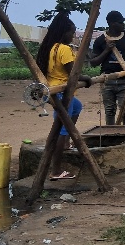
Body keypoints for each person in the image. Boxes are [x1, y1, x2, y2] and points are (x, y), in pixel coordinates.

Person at [35, 11, 92, 180]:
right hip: (61, 93)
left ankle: (66, 141)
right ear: (64, 33)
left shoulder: (51, 47)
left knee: (77, 107)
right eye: (71, 33)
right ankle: (56, 170)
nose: (72, 36)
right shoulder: (64, 49)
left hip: (55, 90)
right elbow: (73, 74)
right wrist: (87, 79)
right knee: (59, 130)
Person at [90, 10, 125, 125]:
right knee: (110, 111)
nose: (124, 25)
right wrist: (107, 50)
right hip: (107, 80)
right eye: (120, 22)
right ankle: (110, 135)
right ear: (112, 24)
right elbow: (93, 62)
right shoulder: (100, 40)